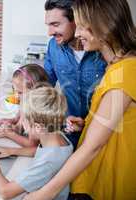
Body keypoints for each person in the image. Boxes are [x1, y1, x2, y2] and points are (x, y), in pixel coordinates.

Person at [24, 0, 136, 199]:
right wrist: (88, 123)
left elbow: (93, 146)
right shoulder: (116, 66)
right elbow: (118, 120)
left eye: (82, 25)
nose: (77, 33)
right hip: (93, 169)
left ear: (103, 25)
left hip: (109, 177)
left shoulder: (125, 70)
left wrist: (42, 194)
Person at [0, 86, 73, 200]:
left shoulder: (47, 162)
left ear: (38, 127)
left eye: (24, 120)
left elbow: (6, 192)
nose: (21, 123)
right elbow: (42, 151)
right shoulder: (58, 137)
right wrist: (12, 151)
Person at [43, 0, 106, 148]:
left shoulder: (104, 50)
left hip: (100, 137)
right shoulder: (53, 46)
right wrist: (20, 116)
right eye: (49, 25)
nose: (50, 32)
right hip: (68, 133)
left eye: (56, 24)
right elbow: (44, 86)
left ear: (76, 21)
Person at [0, 64, 50, 148]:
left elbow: (32, 144)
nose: (16, 96)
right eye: (14, 90)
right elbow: (19, 127)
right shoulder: (25, 101)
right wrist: (7, 124)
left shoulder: (37, 112)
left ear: (37, 91)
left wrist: (8, 133)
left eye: (20, 92)